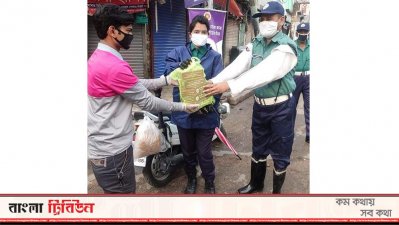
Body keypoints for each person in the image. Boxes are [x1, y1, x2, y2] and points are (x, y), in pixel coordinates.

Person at [87, 4, 198, 194]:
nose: (131, 35)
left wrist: (165, 80)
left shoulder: (98, 58)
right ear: (112, 31)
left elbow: (132, 84)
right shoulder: (113, 66)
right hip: (113, 153)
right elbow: (148, 102)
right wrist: (183, 106)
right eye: (128, 31)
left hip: (103, 149)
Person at [203, 1, 298, 194]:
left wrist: (230, 85)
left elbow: (264, 73)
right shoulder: (256, 43)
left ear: (281, 20)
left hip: (281, 108)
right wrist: (214, 81)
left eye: (269, 18)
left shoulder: (286, 48)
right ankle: (256, 184)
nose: (264, 22)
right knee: (259, 147)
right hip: (260, 107)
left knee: (281, 152)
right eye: (262, 19)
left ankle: (276, 194)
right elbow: (238, 65)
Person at [163, 15, 224, 194]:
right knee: (188, 152)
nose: (200, 34)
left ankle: (209, 181)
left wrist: (212, 103)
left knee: (204, 152)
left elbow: (219, 83)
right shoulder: (178, 53)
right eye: (196, 31)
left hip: (206, 113)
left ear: (208, 35)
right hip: (184, 113)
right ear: (190, 34)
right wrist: (179, 67)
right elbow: (167, 72)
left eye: (204, 32)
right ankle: (191, 179)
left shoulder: (214, 57)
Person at [293, 22, 310, 143]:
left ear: (309, 32)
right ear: (297, 33)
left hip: (309, 79)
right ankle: (289, 133)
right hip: (295, 79)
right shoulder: (292, 45)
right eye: (301, 32)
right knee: (291, 107)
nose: (303, 34)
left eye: (305, 32)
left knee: (309, 107)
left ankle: (310, 133)